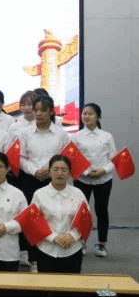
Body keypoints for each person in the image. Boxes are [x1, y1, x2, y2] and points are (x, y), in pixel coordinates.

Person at [19, 95, 70, 271]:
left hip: (54, 180)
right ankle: (33, 259)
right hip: (30, 180)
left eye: (43, 110)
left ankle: (53, 254)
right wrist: (34, 171)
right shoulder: (25, 133)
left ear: (51, 112)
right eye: (36, 110)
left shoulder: (62, 134)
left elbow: (65, 157)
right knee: (32, 219)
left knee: (51, 218)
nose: (38, 114)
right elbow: (21, 157)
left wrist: (50, 171)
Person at [71, 103, 116, 258]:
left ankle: (101, 244)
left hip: (103, 179)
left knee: (101, 211)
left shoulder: (106, 136)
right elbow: (73, 159)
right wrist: (86, 172)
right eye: (84, 113)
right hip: (82, 179)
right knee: (81, 212)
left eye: (90, 114)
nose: (86, 116)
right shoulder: (75, 137)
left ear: (98, 117)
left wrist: (103, 170)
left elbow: (114, 160)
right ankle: (81, 242)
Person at [32, 155, 87, 273]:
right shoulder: (39, 194)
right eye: (55, 169)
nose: (60, 173)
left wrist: (72, 236)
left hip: (72, 249)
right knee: (46, 283)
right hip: (46, 249)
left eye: (64, 170)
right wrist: (54, 237)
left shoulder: (78, 194)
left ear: (69, 173)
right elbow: (35, 222)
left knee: (71, 283)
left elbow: (86, 220)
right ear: (49, 172)